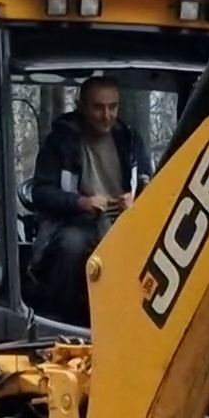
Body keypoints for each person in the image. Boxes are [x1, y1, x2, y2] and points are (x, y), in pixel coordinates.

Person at [27, 77, 153, 324]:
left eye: (113, 107)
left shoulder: (130, 141)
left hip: (125, 224)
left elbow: (153, 183)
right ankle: (60, 322)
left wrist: (137, 201)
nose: (107, 115)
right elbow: (41, 192)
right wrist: (81, 203)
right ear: (81, 105)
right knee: (71, 246)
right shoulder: (60, 142)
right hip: (73, 223)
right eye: (98, 107)